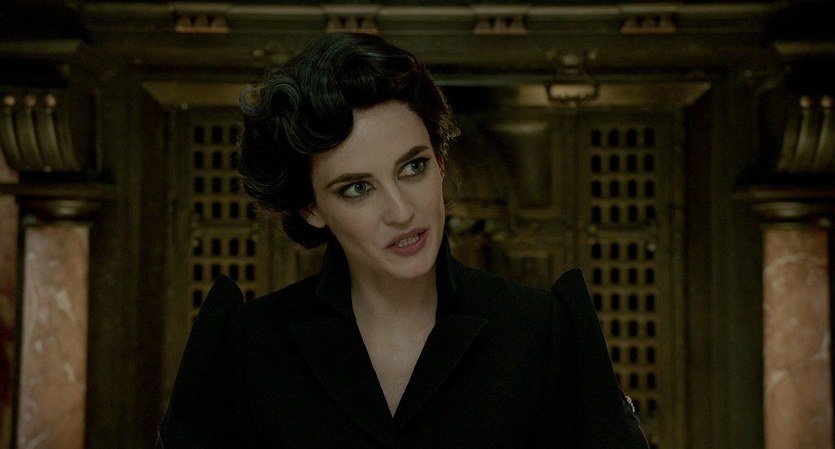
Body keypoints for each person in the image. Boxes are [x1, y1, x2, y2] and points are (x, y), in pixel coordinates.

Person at [156, 32, 649, 449]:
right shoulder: (250, 346)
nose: (401, 212)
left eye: (413, 167)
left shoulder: (541, 331)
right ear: (310, 208)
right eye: (357, 188)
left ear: (441, 160)